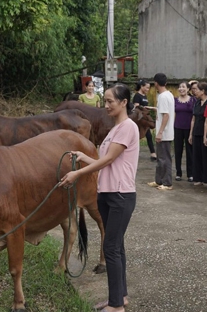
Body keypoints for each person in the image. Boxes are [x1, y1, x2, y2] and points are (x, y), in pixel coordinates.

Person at [59, 83, 138, 312]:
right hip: (108, 193)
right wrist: (84, 157)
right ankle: (119, 297)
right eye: (105, 101)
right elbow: (105, 162)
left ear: (124, 102)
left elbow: (109, 160)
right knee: (117, 247)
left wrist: (77, 173)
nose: (106, 106)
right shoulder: (114, 129)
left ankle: (116, 306)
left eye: (111, 101)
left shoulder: (128, 127)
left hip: (120, 195)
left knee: (111, 248)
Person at [147, 73, 175, 190]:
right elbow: (164, 111)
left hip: (164, 133)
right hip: (165, 132)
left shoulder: (163, 97)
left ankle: (167, 183)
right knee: (160, 158)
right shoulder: (168, 94)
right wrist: (154, 108)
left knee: (164, 159)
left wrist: (160, 132)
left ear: (155, 83)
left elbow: (166, 115)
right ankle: (159, 180)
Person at [189, 82, 207, 186]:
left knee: (205, 156)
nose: (194, 91)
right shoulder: (197, 102)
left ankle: (206, 178)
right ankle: (197, 178)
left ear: (202, 91)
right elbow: (193, 119)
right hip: (196, 131)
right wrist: (190, 134)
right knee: (196, 155)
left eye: (196, 89)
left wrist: (205, 136)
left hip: (206, 132)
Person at [174, 82, 195, 181]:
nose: (181, 89)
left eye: (183, 87)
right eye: (180, 87)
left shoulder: (193, 100)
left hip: (189, 128)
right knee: (178, 151)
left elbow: (194, 117)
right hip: (177, 128)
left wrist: (192, 131)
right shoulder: (175, 100)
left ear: (188, 89)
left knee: (189, 151)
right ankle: (178, 172)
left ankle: (190, 173)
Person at [133, 80, 157, 160]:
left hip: (145, 119)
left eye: (149, 88)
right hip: (139, 119)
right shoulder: (137, 96)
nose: (148, 89)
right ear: (142, 87)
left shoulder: (144, 96)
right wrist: (147, 108)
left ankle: (153, 153)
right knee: (136, 136)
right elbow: (136, 106)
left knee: (149, 135)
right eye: (146, 87)